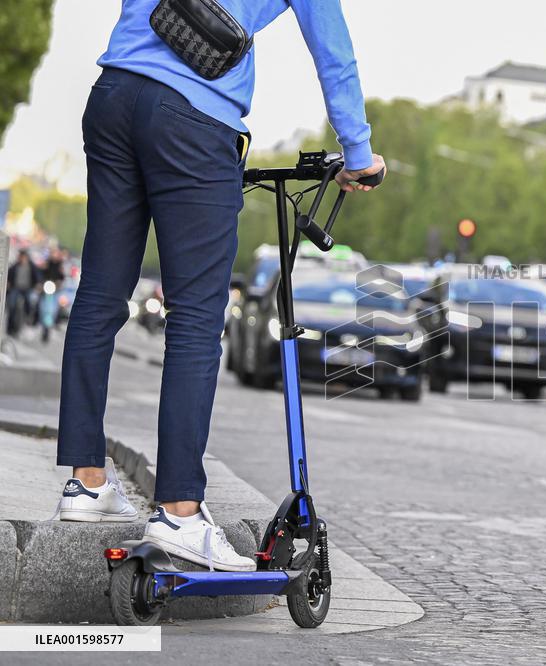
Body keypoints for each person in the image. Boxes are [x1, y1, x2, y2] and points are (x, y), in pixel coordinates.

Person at [54, 0, 386, 572]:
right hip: (192, 116)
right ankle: (180, 511)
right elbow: (332, 50)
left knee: (100, 295)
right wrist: (358, 153)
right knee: (196, 318)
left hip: (114, 94)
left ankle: (85, 482)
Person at [6, 249, 41, 337]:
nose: (22, 259)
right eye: (21, 257)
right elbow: (9, 276)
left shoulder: (31, 266)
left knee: (30, 302)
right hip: (16, 288)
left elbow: (38, 276)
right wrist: (8, 283)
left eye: (24, 257)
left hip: (27, 289)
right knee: (12, 305)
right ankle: (10, 328)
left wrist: (38, 284)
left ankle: (27, 318)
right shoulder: (15, 266)